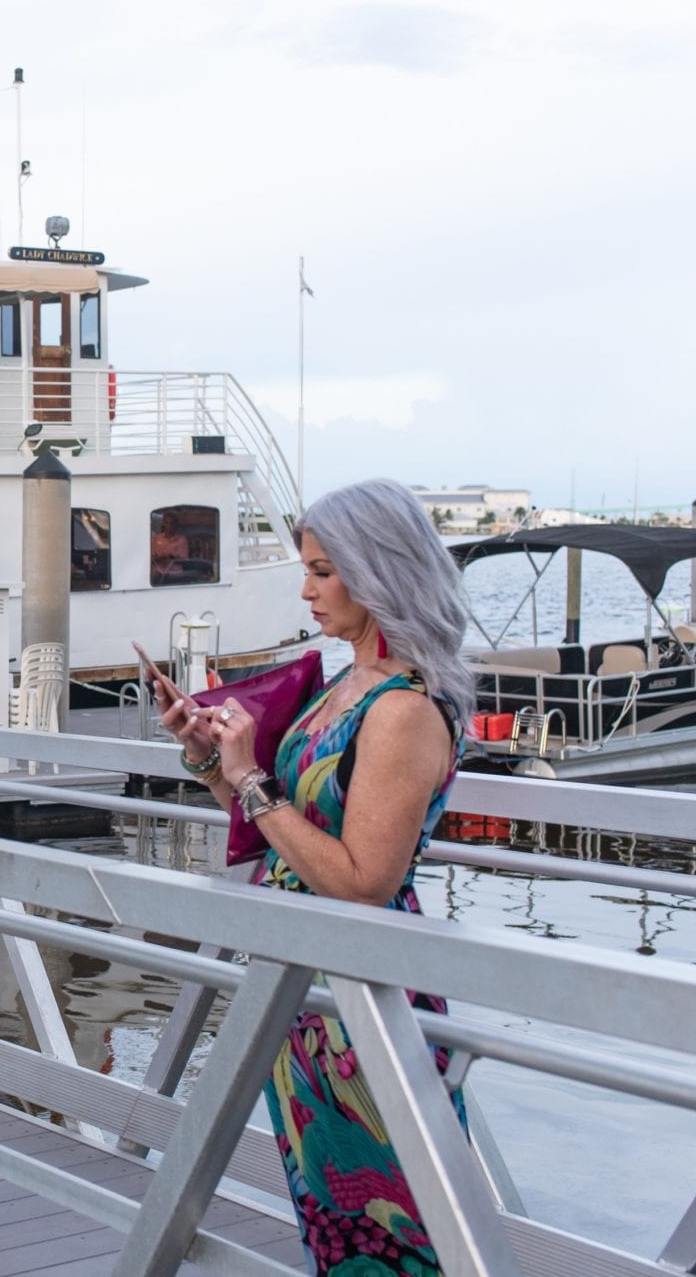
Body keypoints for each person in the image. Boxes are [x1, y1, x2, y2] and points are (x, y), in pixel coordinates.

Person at [152, 477, 474, 1276]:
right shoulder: (347, 685)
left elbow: (363, 877)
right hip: (305, 990)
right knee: (331, 1219)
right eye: (308, 566)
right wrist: (211, 759)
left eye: (324, 569)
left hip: (362, 990)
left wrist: (249, 780)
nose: (307, 588)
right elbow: (288, 829)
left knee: (393, 1228)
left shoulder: (401, 709)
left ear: (380, 569)